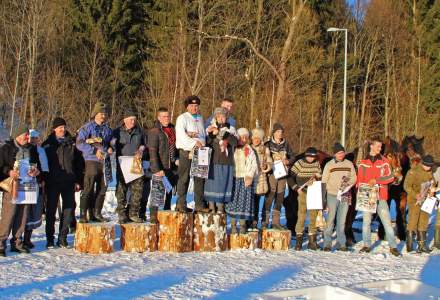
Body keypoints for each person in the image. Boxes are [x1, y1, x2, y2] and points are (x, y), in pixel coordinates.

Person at [0, 126, 41, 257]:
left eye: (28, 135)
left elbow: (36, 165)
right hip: (12, 187)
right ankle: (1, 244)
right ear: (18, 135)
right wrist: (9, 171)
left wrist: (35, 171)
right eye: (26, 135)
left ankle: (17, 242)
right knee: (9, 215)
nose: (28, 138)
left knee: (23, 216)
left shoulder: (31, 149)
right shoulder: (6, 149)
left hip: (27, 186)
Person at [42, 117, 83, 248]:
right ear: (54, 129)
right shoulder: (47, 144)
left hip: (69, 181)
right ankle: (49, 238)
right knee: (51, 211)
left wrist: (78, 180)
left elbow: (79, 164)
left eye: (64, 127)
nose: (63, 129)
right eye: (60, 127)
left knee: (68, 210)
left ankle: (62, 237)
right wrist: (43, 179)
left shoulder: (72, 143)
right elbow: (42, 164)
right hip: (52, 182)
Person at [357, 137, 400, 256]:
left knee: (387, 222)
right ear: (371, 146)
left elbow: (391, 177)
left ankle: (393, 247)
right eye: (378, 146)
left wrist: (376, 180)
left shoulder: (384, 161)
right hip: (367, 195)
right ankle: (366, 245)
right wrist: (361, 190)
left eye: (381, 147)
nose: (380, 149)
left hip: (381, 196)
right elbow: (359, 180)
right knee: (366, 222)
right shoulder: (363, 162)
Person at [76, 102, 113, 223]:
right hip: (91, 161)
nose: (103, 116)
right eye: (101, 113)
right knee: (89, 188)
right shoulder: (87, 128)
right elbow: (79, 143)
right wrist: (93, 150)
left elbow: (111, 142)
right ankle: (83, 214)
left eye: (105, 114)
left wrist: (111, 147)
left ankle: (97, 213)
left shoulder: (108, 129)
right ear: (95, 114)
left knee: (103, 188)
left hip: (105, 162)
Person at [112, 109, 147, 224]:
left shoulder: (140, 131)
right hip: (122, 162)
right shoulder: (117, 132)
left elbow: (144, 144)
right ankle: (122, 214)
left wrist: (141, 150)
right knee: (121, 189)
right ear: (125, 120)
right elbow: (111, 144)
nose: (133, 121)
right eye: (131, 119)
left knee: (138, 189)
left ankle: (132, 213)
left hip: (135, 162)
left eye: (134, 119)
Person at [175, 95, 208, 213]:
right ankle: (181, 203)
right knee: (184, 178)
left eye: (196, 106)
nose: (194, 108)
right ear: (187, 107)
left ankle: (199, 204)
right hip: (187, 151)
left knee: (199, 179)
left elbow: (203, 135)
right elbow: (180, 135)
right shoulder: (182, 118)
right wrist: (193, 143)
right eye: (192, 106)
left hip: (201, 153)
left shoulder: (200, 118)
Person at [321, 143, 357, 251]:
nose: (341, 155)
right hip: (332, 194)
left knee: (342, 220)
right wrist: (323, 198)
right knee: (331, 219)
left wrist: (348, 184)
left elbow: (354, 177)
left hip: (345, 194)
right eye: (338, 153)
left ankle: (342, 243)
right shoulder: (329, 165)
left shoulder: (349, 164)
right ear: (334, 154)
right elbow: (324, 181)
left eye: (342, 152)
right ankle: (327, 244)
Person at [148, 107, 179, 222]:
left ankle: (166, 210)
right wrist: (156, 169)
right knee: (157, 191)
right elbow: (152, 151)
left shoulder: (173, 129)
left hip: (172, 166)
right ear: (158, 118)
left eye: (168, 116)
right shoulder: (154, 131)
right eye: (164, 116)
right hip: (160, 166)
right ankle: (153, 215)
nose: (167, 118)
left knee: (169, 190)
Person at [204, 107, 237, 213]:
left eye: (223, 116)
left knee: (223, 184)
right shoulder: (210, 128)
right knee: (211, 184)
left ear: (226, 117)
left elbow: (234, 142)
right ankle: (211, 207)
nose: (221, 118)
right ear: (215, 118)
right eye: (218, 116)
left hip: (226, 162)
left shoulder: (231, 129)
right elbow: (206, 143)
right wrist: (211, 134)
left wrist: (221, 133)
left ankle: (221, 207)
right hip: (213, 161)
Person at [226, 128, 258, 234]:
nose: (243, 139)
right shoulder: (232, 148)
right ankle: (234, 226)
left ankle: (243, 226)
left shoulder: (249, 149)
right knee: (233, 203)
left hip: (245, 180)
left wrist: (250, 176)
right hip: (233, 179)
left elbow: (253, 164)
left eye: (246, 137)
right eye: (241, 137)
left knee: (244, 203)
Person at [290, 147, 322, 250]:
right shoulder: (299, 163)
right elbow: (290, 177)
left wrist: (316, 177)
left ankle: (312, 241)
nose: (310, 159)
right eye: (309, 156)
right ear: (306, 155)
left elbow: (319, 176)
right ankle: (299, 241)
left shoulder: (316, 164)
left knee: (313, 215)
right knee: (301, 215)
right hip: (302, 192)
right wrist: (296, 188)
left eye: (312, 157)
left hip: (313, 192)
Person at [264, 123, 295, 229]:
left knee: (280, 197)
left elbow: (293, 157)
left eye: (281, 132)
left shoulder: (286, 144)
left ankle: (275, 222)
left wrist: (288, 161)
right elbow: (263, 158)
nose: (280, 134)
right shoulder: (267, 144)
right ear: (274, 132)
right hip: (272, 174)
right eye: (278, 132)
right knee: (270, 197)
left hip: (282, 174)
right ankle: (265, 221)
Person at [21, 129, 49, 249]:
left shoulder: (41, 150)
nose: (34, 140)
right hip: (26, 183)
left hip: (38, 183)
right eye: (32, 138)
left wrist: (43, 179)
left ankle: (27, 238)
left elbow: (45, 167)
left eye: (36, 138)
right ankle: (19, 239)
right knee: (25, 212)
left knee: (34, 212)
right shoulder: (26, 150)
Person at [403, 155, 435, 253]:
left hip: (426, 200)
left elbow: (432, 182)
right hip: (414, 200)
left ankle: (422, 245)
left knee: (424, 221)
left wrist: (432, 189)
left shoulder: (429, 172)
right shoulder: (413, 171)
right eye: (427, 166)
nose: (428, 168)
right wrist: (415, 194)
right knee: (413, 220)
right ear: (423, 163)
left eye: (430, 166)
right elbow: (406, 186)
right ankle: (409, 245)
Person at [250, 127, 272, 229]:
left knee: (257, 201)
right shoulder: (248, 148)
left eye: (258, 138)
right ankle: (248, 222)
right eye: (255, 138)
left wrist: (266, 166)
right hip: (249, 178)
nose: (256, 140)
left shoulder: (264, 149)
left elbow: (269, 161)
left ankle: (255, 222)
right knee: (249, 201)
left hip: (260, 179)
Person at [433, 165, 440, 250]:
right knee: (439, 220)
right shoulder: (438, 170)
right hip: (439, 195)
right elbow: (434, 183)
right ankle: (437, 242)